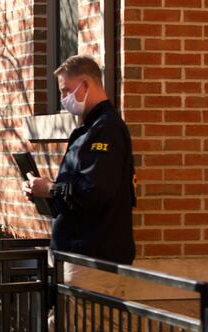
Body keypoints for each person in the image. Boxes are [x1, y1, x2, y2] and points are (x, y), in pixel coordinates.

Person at [24, 54, 136, 284]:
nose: (63, 98)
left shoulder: (106, 129)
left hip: (93, 260)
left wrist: (52, 189)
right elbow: (75, 195)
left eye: (66, 91)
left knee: (83, 320)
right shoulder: (87, 129)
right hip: (75, 254)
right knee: (60, 320)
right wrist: (41, 192)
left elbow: (94, 192)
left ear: (85, 85)